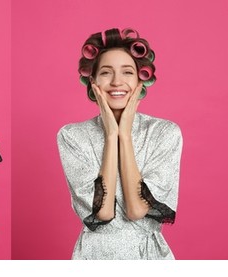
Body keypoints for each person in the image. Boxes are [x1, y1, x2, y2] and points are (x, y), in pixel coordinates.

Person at [58, 27, 180, 260]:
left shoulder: (164, 133)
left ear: (139, 80)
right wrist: (111, 135)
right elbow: (103, 212)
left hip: (148, 257)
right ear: (93, 80)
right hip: (94, 257)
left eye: (127, 72)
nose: (116, 82)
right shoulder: (72, 136)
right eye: (106, 72)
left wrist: (124, 134)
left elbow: (137, 210)